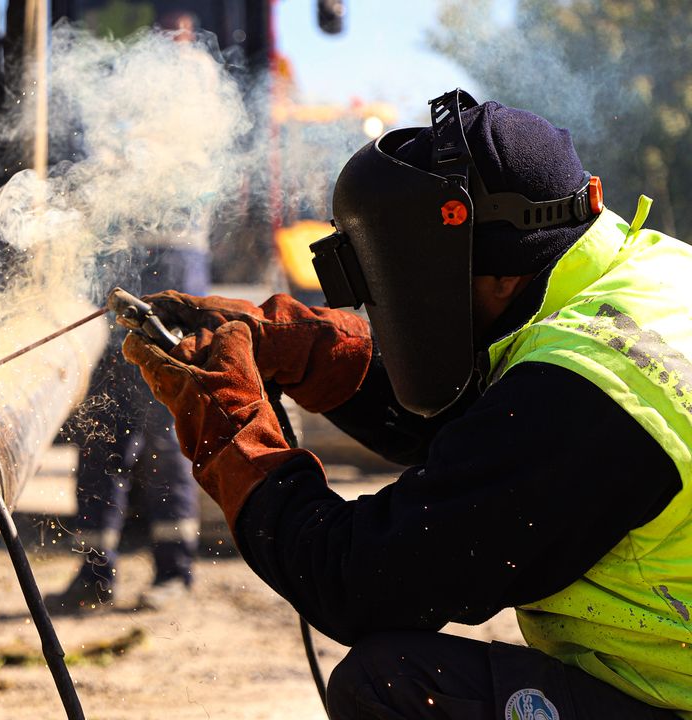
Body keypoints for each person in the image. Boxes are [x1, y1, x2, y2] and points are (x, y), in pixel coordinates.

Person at [123, 90, 692, 718]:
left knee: (393, 687)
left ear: (502, 271)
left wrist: (234, 431)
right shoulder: (645, 277)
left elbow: (359, 582)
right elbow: (485, 435)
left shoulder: (589, 392)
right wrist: (319, 353)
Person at [45, 9, 212, 615]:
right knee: (102, 427)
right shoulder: (126, 117)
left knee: (165, 431)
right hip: (127, 273)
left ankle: (175, 570)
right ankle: (96, 571)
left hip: (173, 279)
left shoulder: (195, 102)